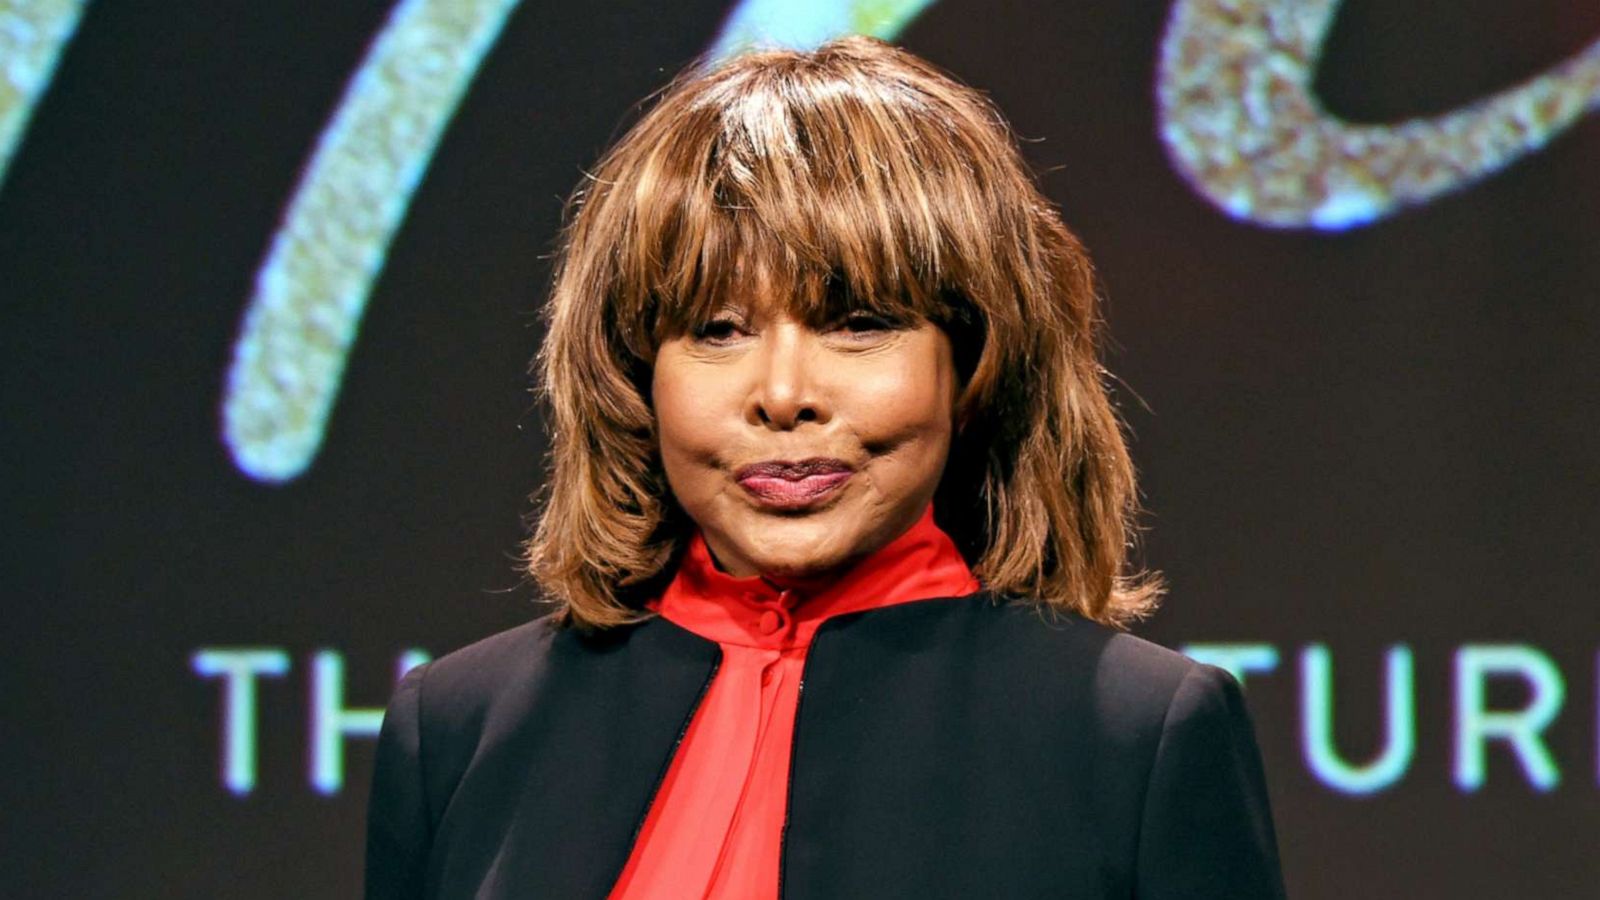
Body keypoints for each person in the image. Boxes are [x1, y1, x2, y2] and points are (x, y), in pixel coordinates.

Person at [364, 35, 1285, 900]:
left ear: (972, 366)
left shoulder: (1142, 733)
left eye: (859, 323)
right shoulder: (454, 729)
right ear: (634, 374)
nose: (783, 393)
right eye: (717, 328)